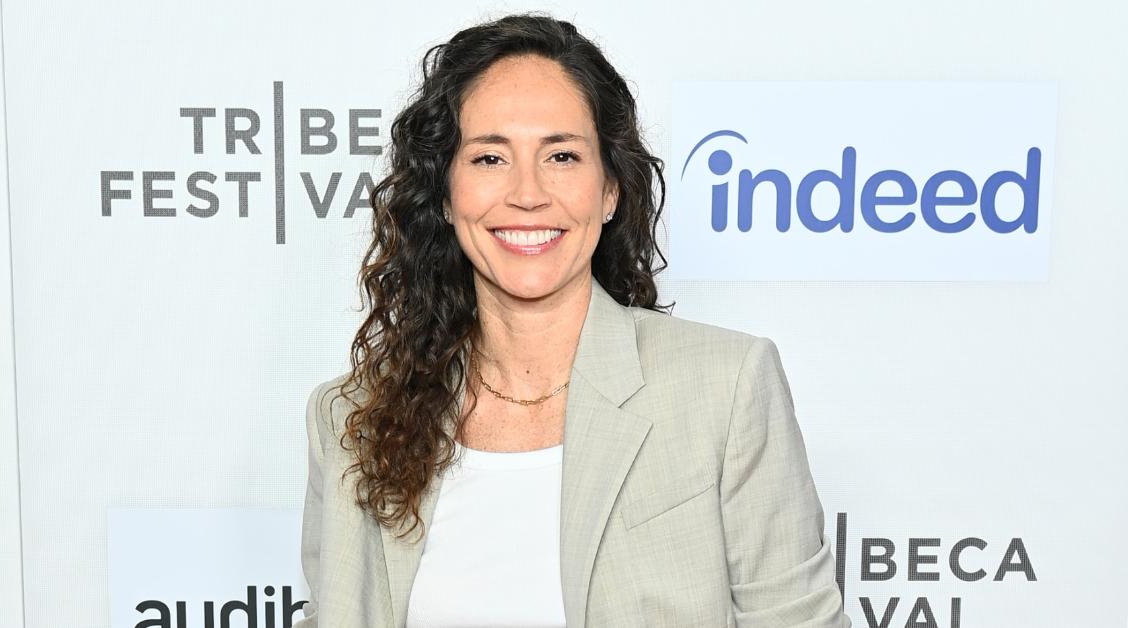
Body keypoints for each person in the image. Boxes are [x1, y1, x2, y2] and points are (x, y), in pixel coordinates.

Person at [296, 12, 851, 628]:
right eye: (488, 159)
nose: (528, 192)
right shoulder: (353, 421)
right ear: (445, 195)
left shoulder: (726, 387)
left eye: (561, 155)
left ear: (610, 189)